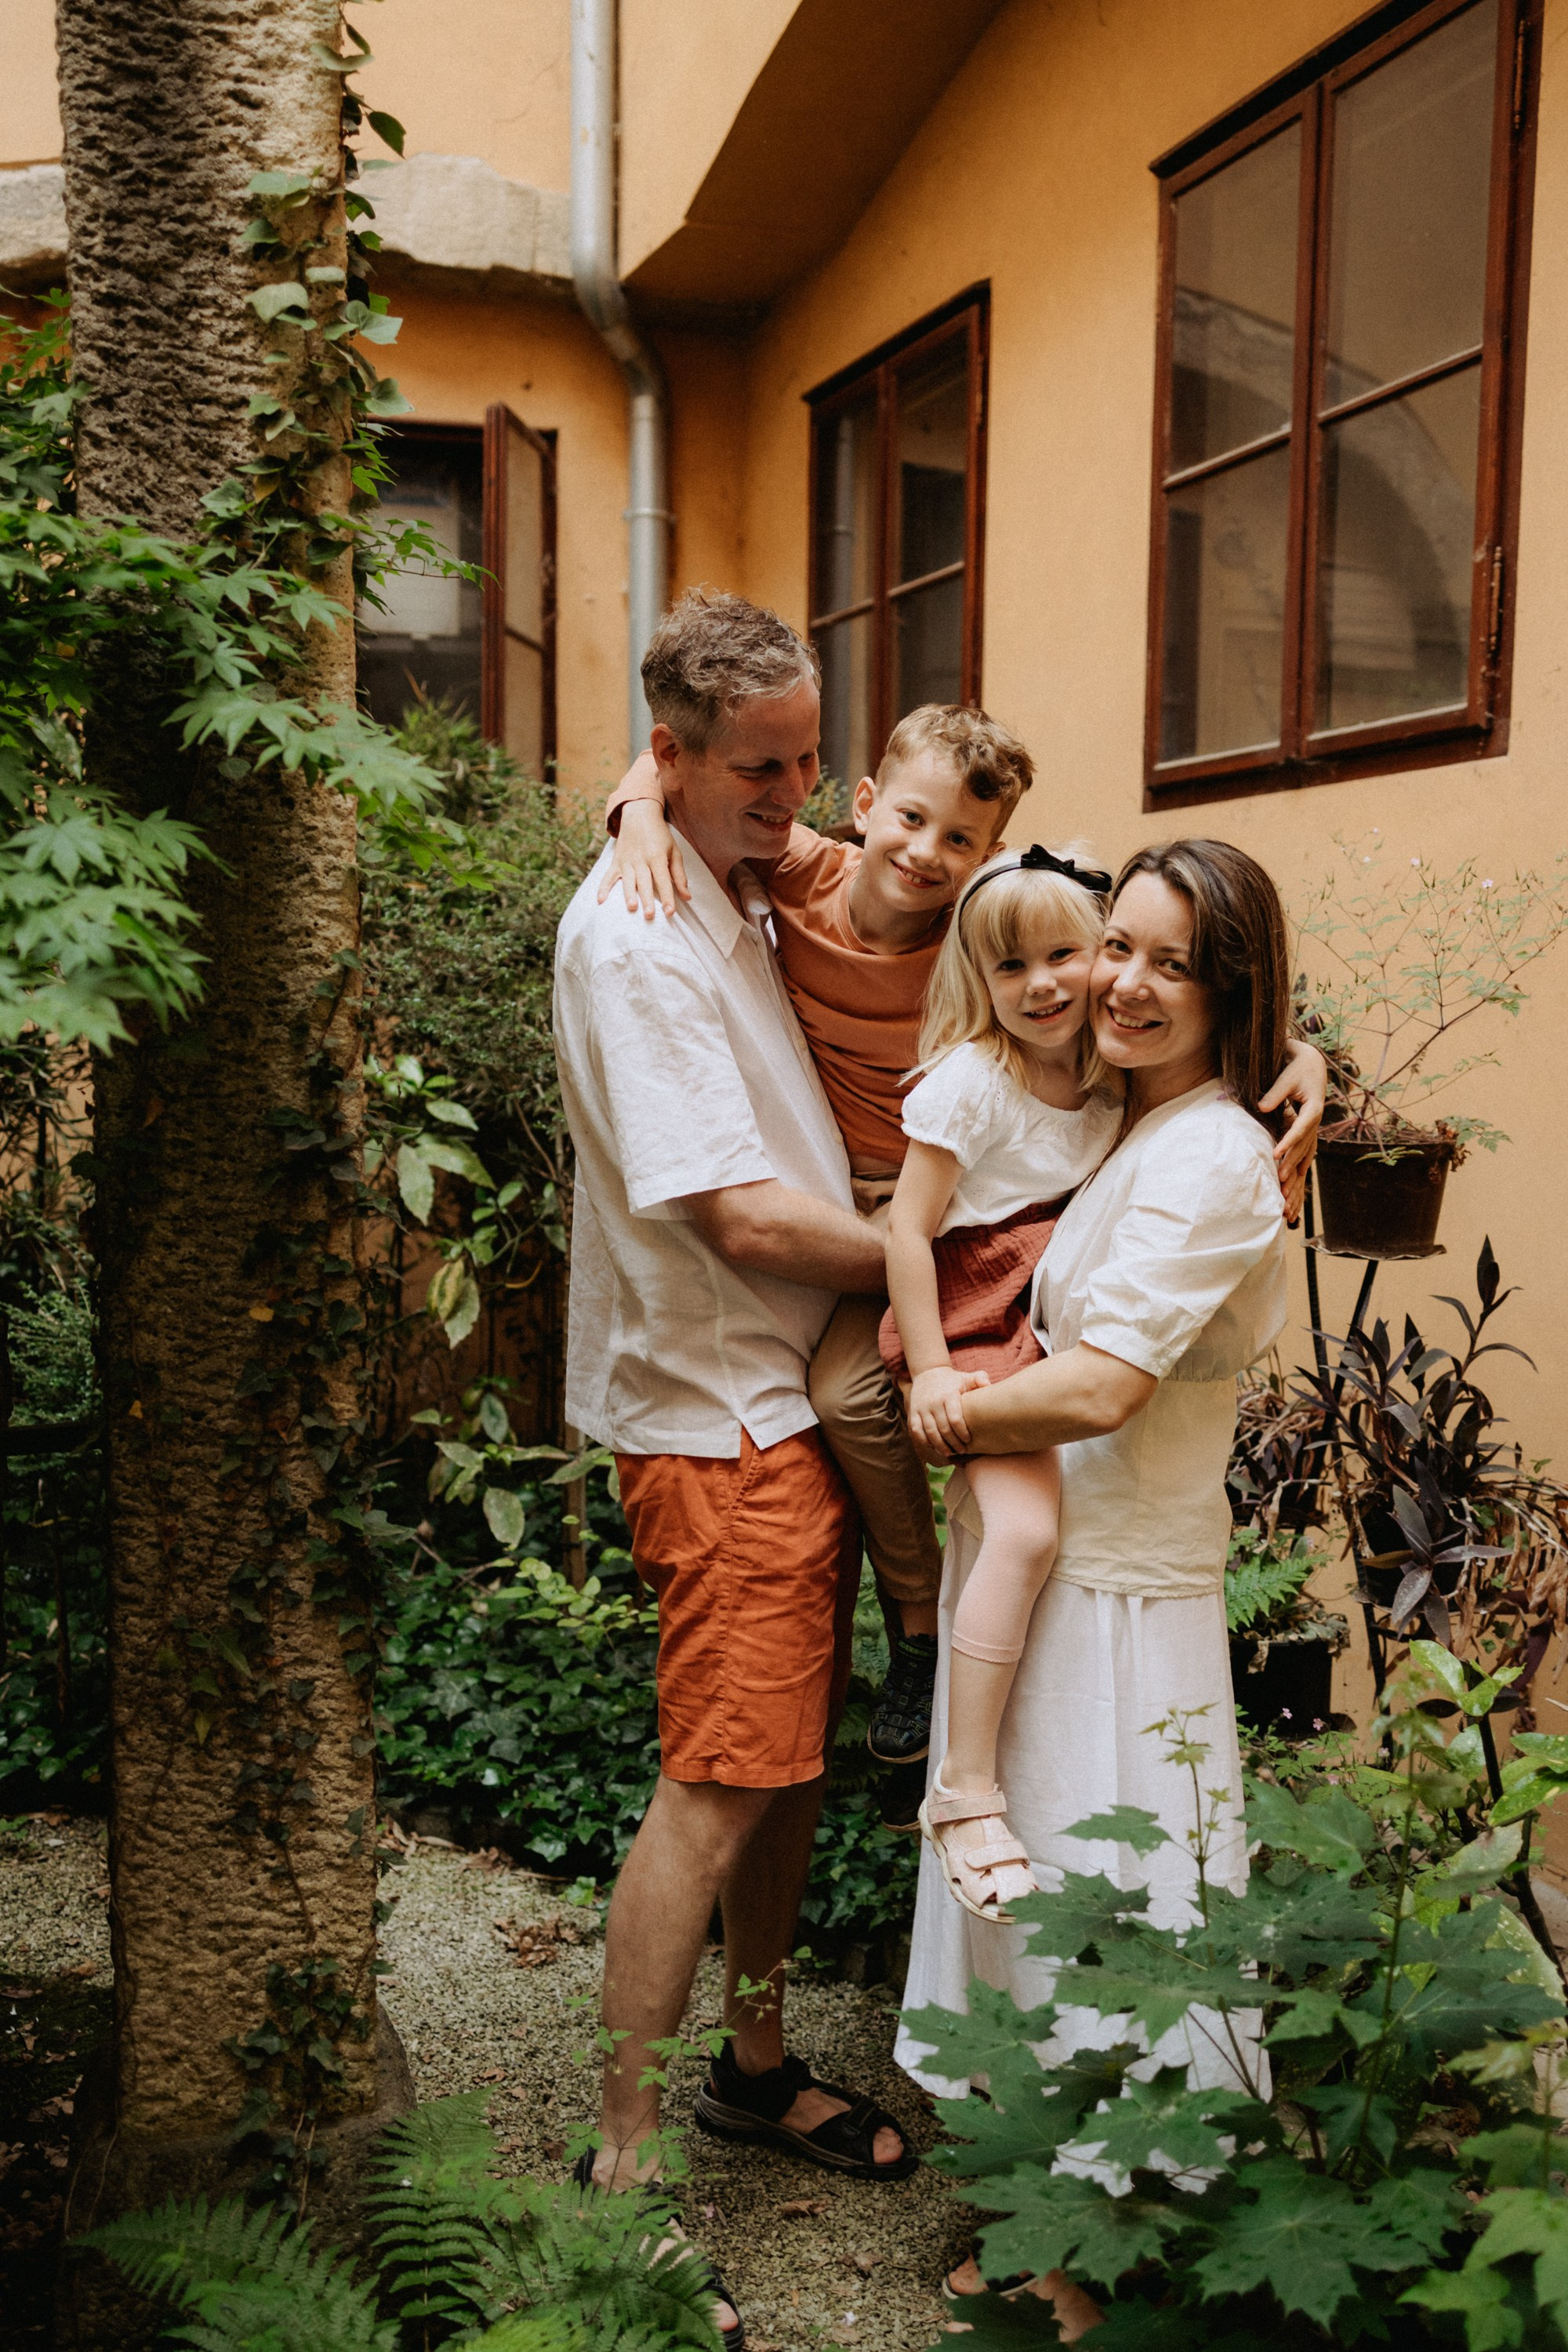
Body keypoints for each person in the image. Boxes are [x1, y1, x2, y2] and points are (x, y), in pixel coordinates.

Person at [602, 732, 1327, 1788]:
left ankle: (949, 1699)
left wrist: (1301, 1058)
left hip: (1033, 1329)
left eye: (958, 839)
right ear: (863, 808)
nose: (925, 853)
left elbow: (1190, 964)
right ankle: (912, 1622)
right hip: (917, 1232)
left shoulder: (1040, 966)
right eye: (910, 823)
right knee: (853, 1390)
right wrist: (635, 808)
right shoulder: (848, 882)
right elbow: (698, 774)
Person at [553, 590, 916, 2352]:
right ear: (679, 758)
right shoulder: (637, 938)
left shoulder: (718, 852)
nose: (804, 799)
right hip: (722, 1422)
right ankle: (621, 2168)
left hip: (783, 1397)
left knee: (784, 1775)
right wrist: (958, 1257)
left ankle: (751, 2070)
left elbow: (938, 867)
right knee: (715, 1786)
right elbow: (737, 1208)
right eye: (762, 772)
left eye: (807, 756)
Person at [893, 838, 1294, 2340]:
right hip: (1050, 1579)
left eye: (1168, 963)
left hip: (1118, 1599)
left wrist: (941, 1408)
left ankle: (1095, 2252)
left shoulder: (1211, 1156)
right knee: (1044, 1915)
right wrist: (641, 802)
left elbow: (1110, 1382)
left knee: (1105, 1921)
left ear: (1229, 988)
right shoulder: (1146, 1113)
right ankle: (1042, 2206)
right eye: (1115, 944)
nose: (1120, 981)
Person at [880, 842, 1120, 1922]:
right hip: (975, 1319)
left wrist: (1301, 1058)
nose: (1042, 986)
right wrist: (930, 1369)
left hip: (1059, 1321)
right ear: (978, 982)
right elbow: (906, 1231)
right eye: (1010, 968)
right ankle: (963, 1793)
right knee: (1021, 1534)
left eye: (1064, 954)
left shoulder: (1113, 1067)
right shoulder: (976, 1084)